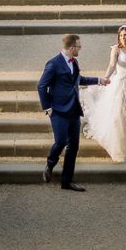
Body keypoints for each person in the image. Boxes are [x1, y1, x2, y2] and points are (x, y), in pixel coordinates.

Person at [37, 33, 109, 191]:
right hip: (58, 111)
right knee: (61, 142)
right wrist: (47, 108)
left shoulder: (74, 62)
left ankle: (66, 181)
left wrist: (99, 80)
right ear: (71, 47)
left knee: (74, 146)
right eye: (79, 47)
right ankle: (50, 164)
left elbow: (78, 79)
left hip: (74, 110)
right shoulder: (53, 63)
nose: (80, 49)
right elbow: (41, 86)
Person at [80, 25, 126, 162]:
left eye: (125, 35)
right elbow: (112, 65)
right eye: (120, 35)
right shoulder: (116, 49)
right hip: (122, 84)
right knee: (120, 117)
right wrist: (105, 78)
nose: (122, 38)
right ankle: (122, 148)